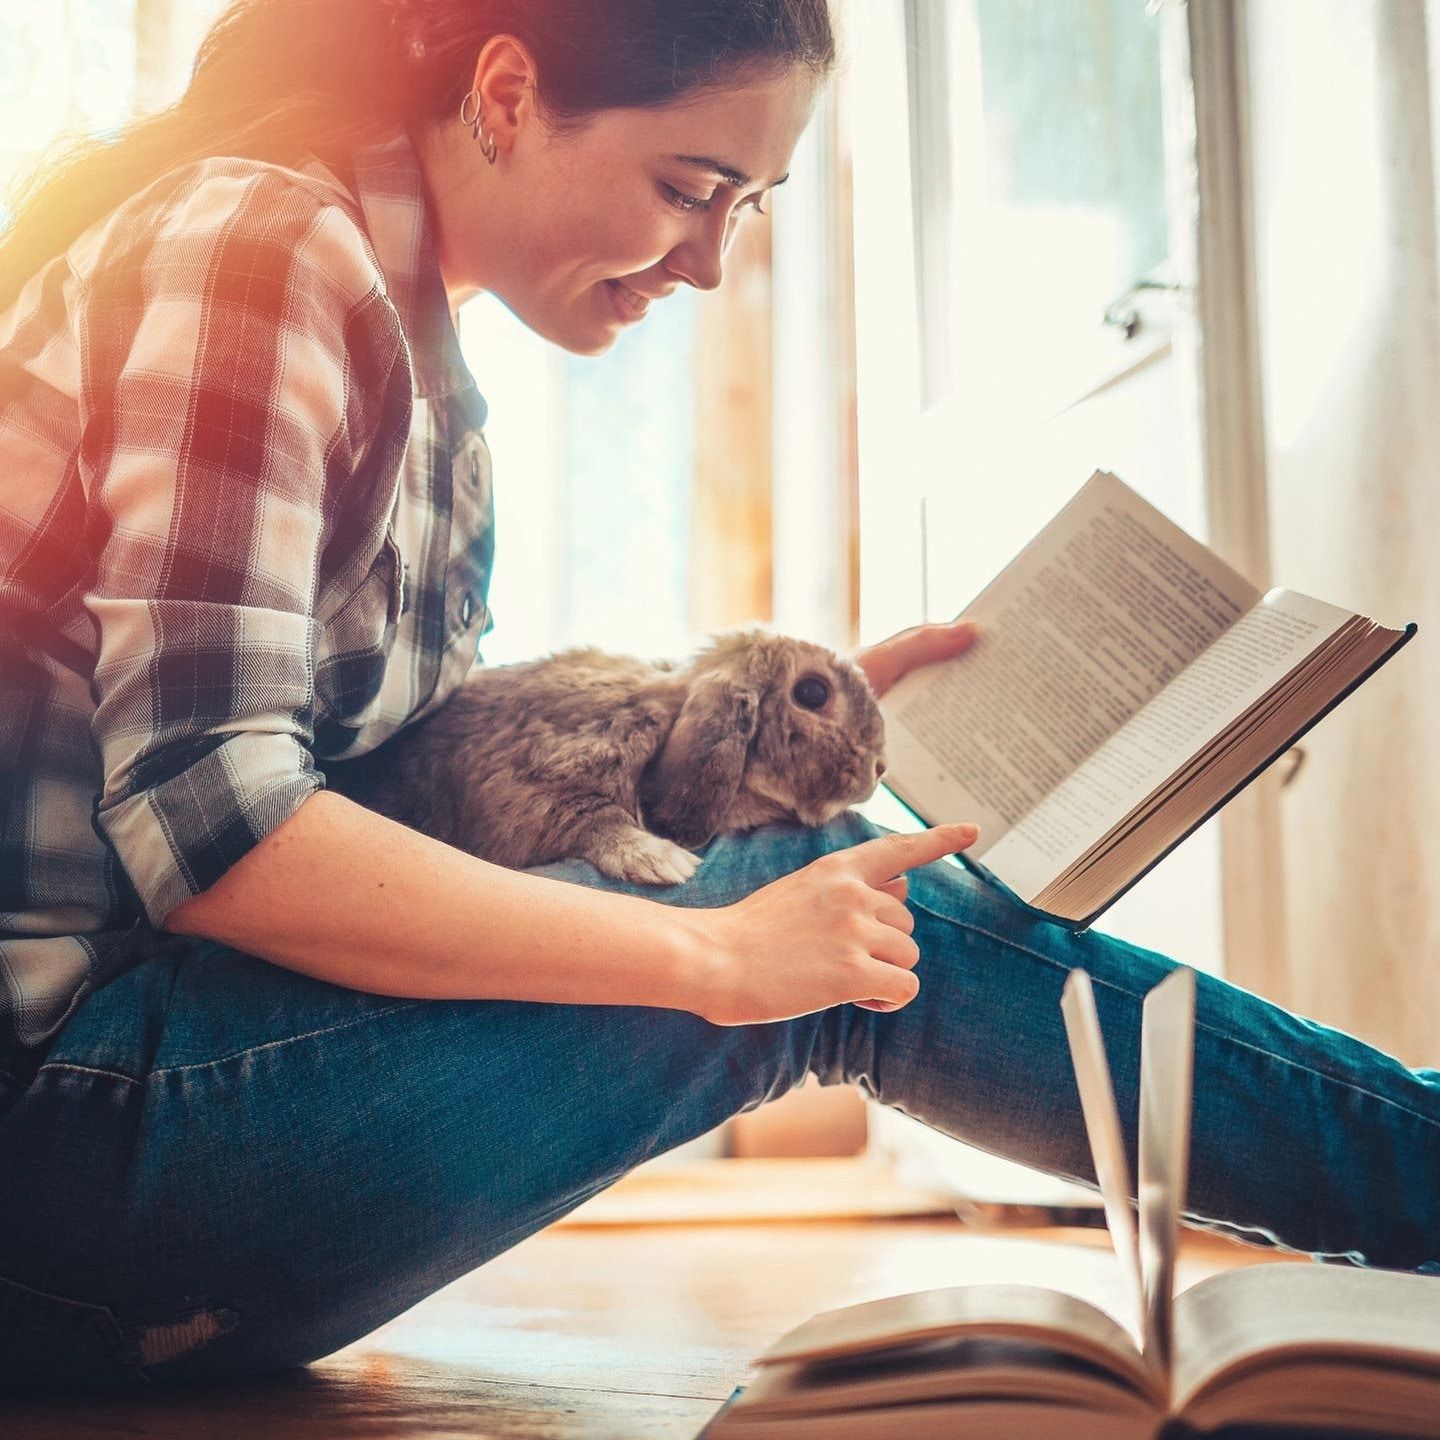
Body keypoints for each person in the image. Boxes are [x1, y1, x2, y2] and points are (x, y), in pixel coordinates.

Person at [1, 0, 1436, 1393]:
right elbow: (220, 831)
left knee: (819, 887)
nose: (709, 262)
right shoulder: (264, 248)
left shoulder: (433, 370)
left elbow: (401, 780)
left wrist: (764, 716)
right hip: (64, 1141)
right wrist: (713, 959)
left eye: (748, 210)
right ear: (505, 96)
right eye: (693, 189)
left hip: (157, 1082)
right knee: (839, 926)